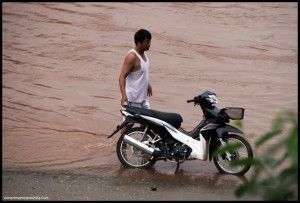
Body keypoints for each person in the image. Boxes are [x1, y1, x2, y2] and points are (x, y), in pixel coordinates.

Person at [119, 29, 153, 135]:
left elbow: (141, 73)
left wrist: (148, 84)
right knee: (129, 125)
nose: (149, 44)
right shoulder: (132, 57)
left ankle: (142, 146)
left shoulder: (144, 55)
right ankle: (121, 147)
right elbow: (122, 77)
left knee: (148, 121)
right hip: (132, 99)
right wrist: (123, 95)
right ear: (139, 42)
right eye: (147, 41)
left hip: (142, 98)